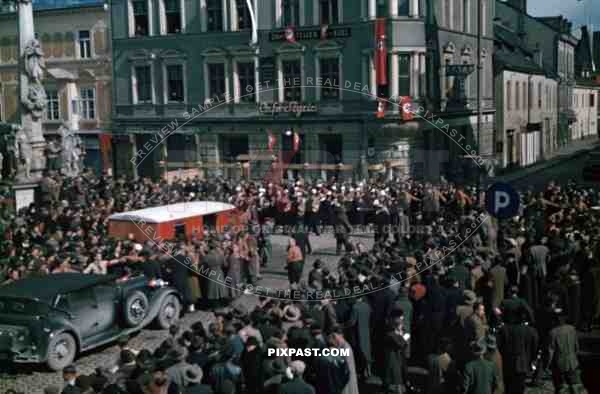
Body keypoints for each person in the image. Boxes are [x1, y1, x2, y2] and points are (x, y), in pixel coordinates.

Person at [383, 316, 408, 394]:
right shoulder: (391, 334)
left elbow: (404, 344)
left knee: (393, 373)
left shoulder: (395, 333)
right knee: (395, 374)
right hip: (392, 356)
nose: (402, 326)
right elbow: (401, 344)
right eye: (401, 325)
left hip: (396, 356)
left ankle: (389, 387)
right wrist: (403, 338)